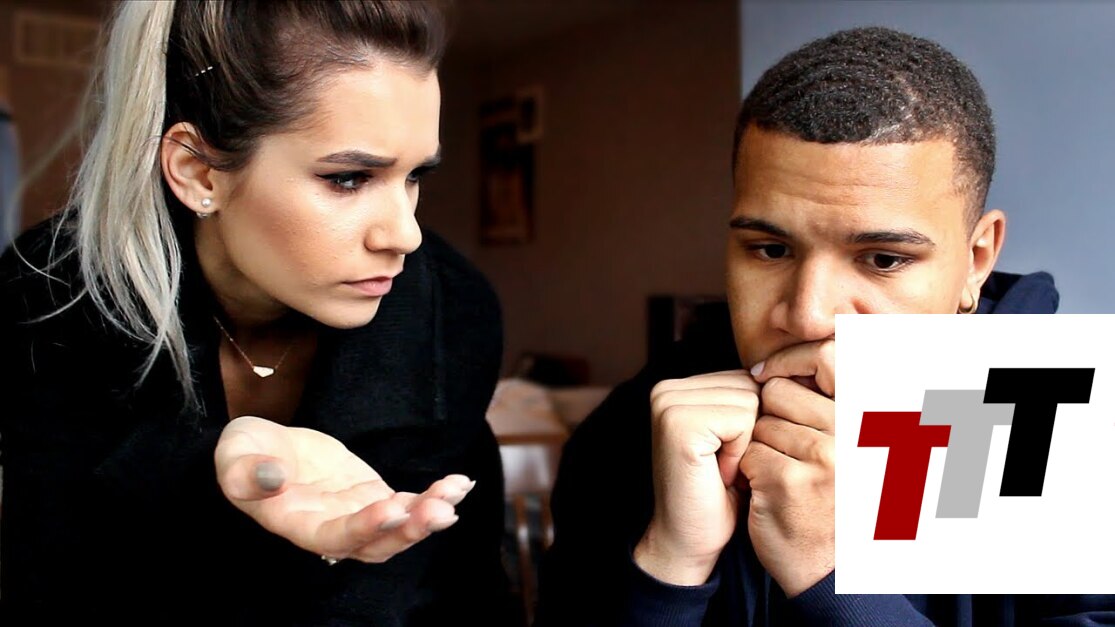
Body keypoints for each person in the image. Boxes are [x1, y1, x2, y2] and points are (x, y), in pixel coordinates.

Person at [536, 27, 1115, 625]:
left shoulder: (1080, 442)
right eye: (770, 250)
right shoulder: (635, 428)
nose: (807, 315)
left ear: (976, 260)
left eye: (883, 259)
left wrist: (830, 580)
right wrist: (668, 571)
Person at [0, 2, 517, 625]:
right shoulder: (49, 295)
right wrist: (201, 479)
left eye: (414, 178)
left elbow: (454, 591)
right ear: (199, 174)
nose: (404, 235)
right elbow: (53, 577)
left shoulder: (452, 311)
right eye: (349, 179)